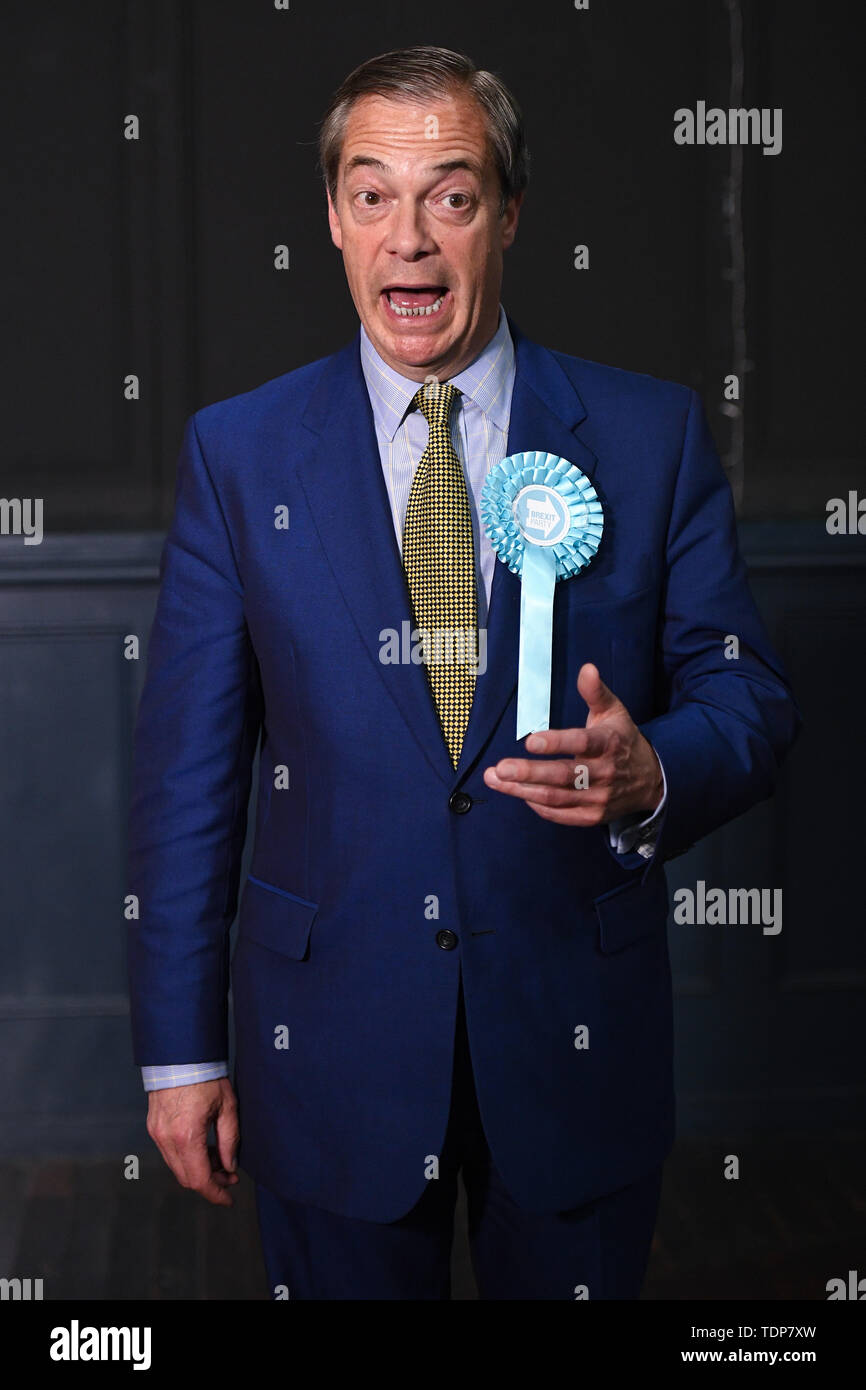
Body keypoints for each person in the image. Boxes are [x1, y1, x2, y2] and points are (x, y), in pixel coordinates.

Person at [127, 45, 801, 1300]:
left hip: (570, 1049)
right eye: (372, 194)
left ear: (506, 212)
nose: (409, 240)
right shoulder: (238, 454)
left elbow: (748, 694)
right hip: (325, 1054)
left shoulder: (648, 437)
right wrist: (178, 1055)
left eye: (449, 193)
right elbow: (187, 778)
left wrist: (655, 768)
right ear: (332, 220)